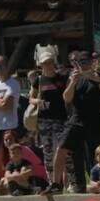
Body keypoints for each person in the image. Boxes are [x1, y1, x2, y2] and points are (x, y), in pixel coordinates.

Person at [44, 51, 100, 194]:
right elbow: (67, 98)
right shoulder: (74, 77)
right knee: (61, 148)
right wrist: (73, 82)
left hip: (96, 121)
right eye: (80, 62)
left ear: (92, 63)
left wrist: (97, 80)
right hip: (76, 120)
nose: (83, 65)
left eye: (85, 62)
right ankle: (56, 184)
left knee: (99, 154)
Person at [31, 50, 68, 180]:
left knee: (63, 149)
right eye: (45, 63)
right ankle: (52, 180)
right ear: (41, 65)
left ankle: (66, 180)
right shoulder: (39, 80)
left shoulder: (62, 78)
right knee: (48, 151)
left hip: (61, 118)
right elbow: (31, 98)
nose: (48, 65)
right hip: (44, 119)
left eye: (50, 62)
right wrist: (38, 102)